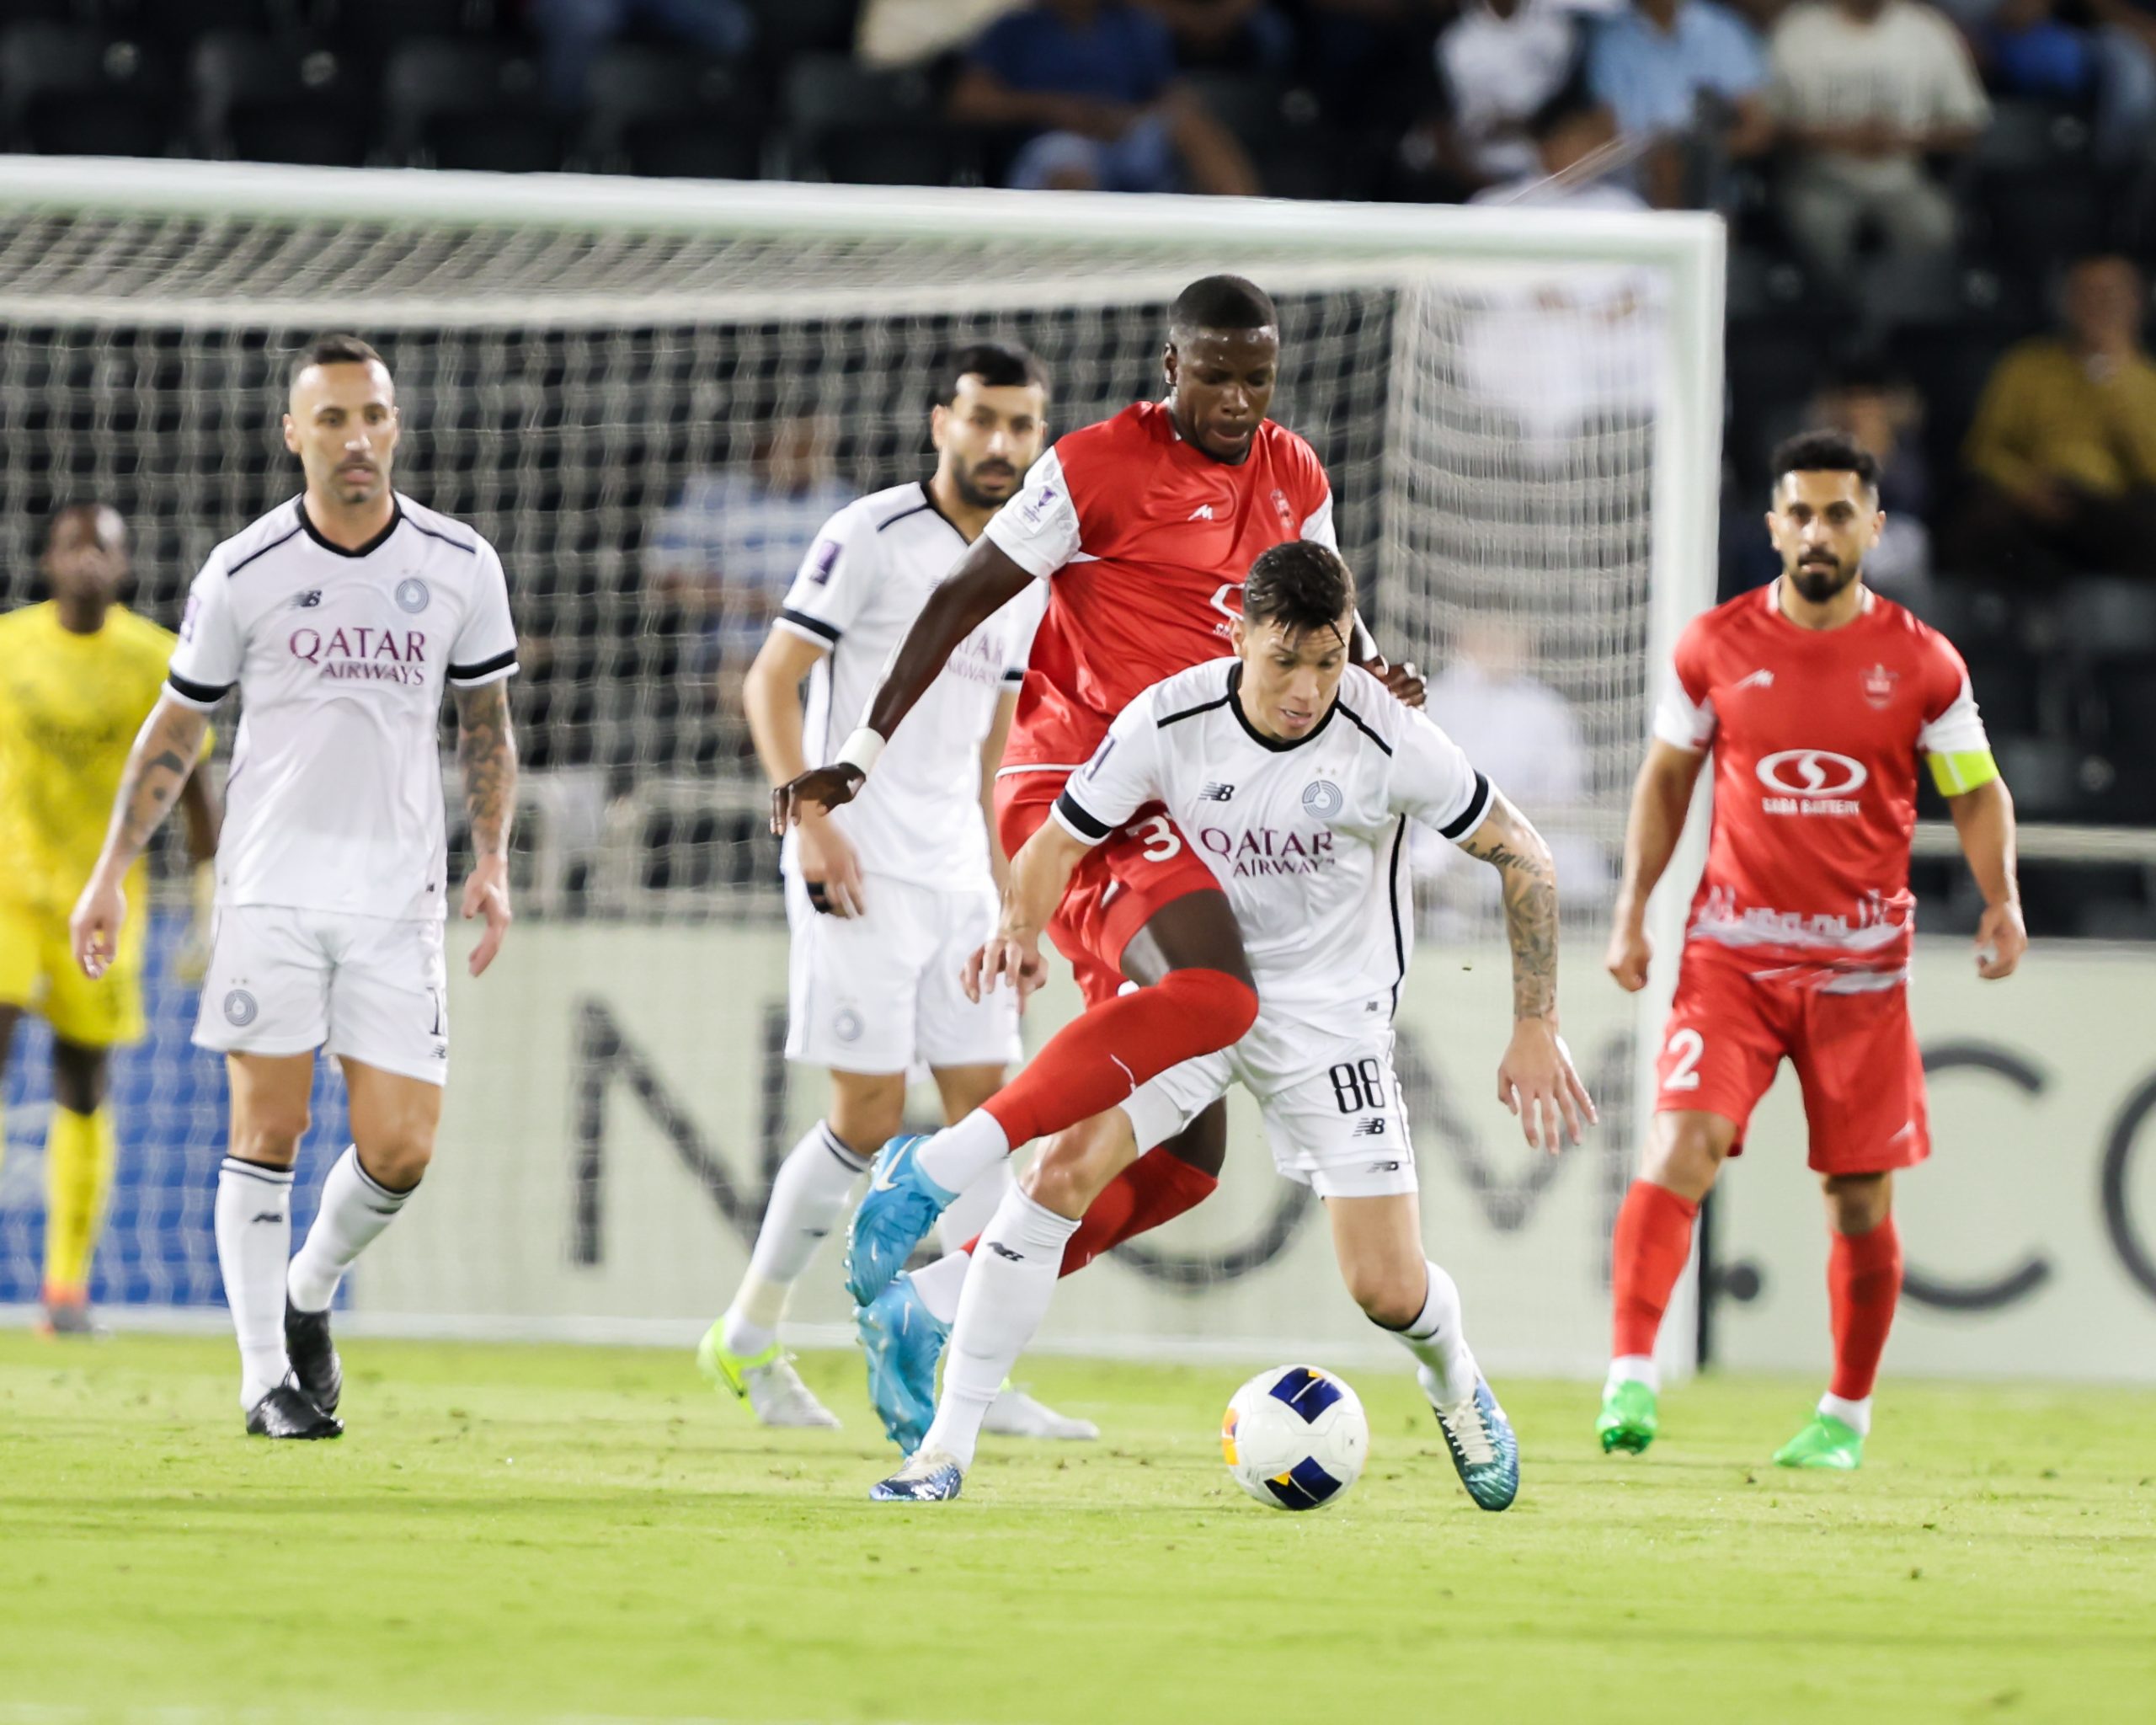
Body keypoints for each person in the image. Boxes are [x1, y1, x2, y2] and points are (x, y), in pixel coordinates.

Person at [773, 275, 1424, 1376]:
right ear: (1171, 368)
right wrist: (864, 755)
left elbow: (1326, 621)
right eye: (1213, 375)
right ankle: (932, 1171)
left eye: (1255, 379)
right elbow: (959, 599)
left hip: (1205, 815)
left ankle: (934, 1301)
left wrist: (1371, 682)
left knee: (1188, 1163)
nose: (1235, 399)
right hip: (1079, 792)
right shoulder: (1092, 467)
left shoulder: (1295, 471)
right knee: (1217, 993)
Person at [864, 542, 1593, 1501]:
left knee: (1386, 1289)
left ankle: (1452, 1373)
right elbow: (1058, 837)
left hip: (1333, 1024)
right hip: (1205, 996)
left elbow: (1525, 855)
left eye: (1329, 660)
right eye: (1285, 658)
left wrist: (1535, 1021)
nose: (1307, 688)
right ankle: (942, 1452)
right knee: (1057, 1178)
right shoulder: (1170, 716)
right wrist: (1019, 927)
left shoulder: (1390, 738)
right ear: (1239, 634)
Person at [71, 334, 521, 1440]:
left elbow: (486, 728)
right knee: (266, 1125)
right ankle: (263, 1379)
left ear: (397, 427)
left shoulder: (462, 564)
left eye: (373, 415)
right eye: (332, 419)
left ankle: (307, 1288)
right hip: (269, 890)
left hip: (396, 896)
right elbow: (176, 732)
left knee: (402, 1147)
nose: (357, 437)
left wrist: (495, 858)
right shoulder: (245, 568)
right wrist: (111, 876)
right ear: (293, 433)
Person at [1599, 429, 2025, 1471]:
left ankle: (1844, 1413)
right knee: (1679, 1147)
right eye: (1800, 511)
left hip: (1860, 975)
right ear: (1773, 524)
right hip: (1730, 956)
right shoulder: (1712, 646)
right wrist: (1631, 907)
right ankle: (1630, 1376)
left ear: (1874, 527)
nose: (1817, 530)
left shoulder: (1922, 661)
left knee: (1856, 1199)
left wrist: (2001, 900)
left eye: (1840, 512)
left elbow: (1975, 790)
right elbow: (1665, 781)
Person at [699, 342, 1091, 1443]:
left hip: (960, 875)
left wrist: (1014, 893)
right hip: (856, 862)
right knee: (867, 1117)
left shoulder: (1026, 571)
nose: (1002, 444)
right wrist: (809, 818)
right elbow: (771, 680)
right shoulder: (867, 536)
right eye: (984, 422)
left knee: (996, 1124)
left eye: (1022, 426)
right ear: (941, 425)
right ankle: (749, 1335)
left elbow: (996, 748)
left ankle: (974, 1367)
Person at [0, 505, 219, 1336]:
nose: (87, 560)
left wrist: (210, 893)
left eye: (104, 548)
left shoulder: (156, 658)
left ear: (124, 569)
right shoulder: (8, 646)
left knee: (82, 1081)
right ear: (48, 560)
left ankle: (65, 1290)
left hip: (103, 894)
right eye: (73, 546)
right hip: (7, 886)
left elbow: (195, 786)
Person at [1953, 254, 2156, 585]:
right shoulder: (2025, 366)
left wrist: (2118, 380)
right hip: (2036, 499)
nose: (2098, 306)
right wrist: (2024, 487)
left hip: (2116, 509)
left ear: (2137, 303)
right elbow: (1984, 449)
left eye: (2110, 295)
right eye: (2085, 294)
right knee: (1978, 527)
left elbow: (2151, 469)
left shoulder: (2149, 382)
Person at [1766, 0, 1989, 291]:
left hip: (1901, 180)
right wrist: (1839, 138)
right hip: (1819, 180)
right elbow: (1768, 125)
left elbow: (1970, 126)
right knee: (1817, 230)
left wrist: (1901, 139)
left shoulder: (1926, 29)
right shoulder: (1799, 29)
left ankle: (1901, 325)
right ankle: (1835, 321)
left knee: (1935, 228)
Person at [645, 415, 856, 714]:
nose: (808, 455)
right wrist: (754, 602)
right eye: (797, 444)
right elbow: (664, 579)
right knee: (749, 680)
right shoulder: (711, 494)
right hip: (730, 647)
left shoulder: (843, 503)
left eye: (815, 445)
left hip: (816, 645)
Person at [950, 0, 1261, 194]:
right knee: (1067, 160)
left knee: (1193, 128)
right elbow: (969, 101)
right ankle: (1076, 287)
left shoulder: (1132, 26)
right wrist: (1051, 108)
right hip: (1055, 140)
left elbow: (1174, 97)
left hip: (1126, 137)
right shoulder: (1014, 29)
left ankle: (1252, 243)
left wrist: (1125, 118)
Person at [1586, 0, 1772, 207]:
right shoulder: (1611, 39)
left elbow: (1758, 131)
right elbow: (1606, 133)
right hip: (1636, 182)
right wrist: (1659, 155)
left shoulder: (1722, 31)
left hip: (1716, 180)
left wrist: (1698, 154)